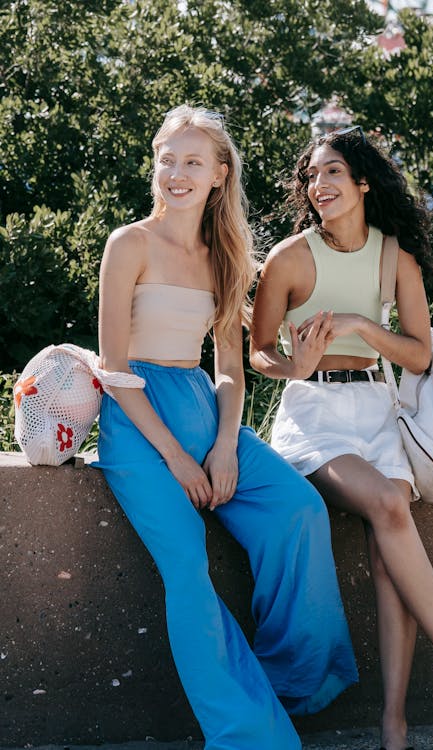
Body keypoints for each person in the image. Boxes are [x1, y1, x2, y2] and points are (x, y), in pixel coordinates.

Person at [93, 105, 358, 750]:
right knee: (187, 564)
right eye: (167, 159)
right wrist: (180, 461)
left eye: (192, 161)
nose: (176, 173)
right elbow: (115, 368)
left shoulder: (224, 255)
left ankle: (293, 686)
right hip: (135, 419)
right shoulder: (128, 243)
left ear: (219, 174)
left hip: (203, 409)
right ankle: (248, 735)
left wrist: (221, 445)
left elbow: (231, 370)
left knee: (298, 510)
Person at [249, 127, 433, 750]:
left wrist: (362, 324)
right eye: (311, 176)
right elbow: (257, 352)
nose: (319, 185)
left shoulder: (394, 257)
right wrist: (295, 367)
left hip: (377, 411)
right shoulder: (290, 257)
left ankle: (394, 726)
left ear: (362, 182)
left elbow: (417, 355)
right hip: (313, 415)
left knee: (389, 564)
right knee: (389, 506)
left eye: (333, 172)